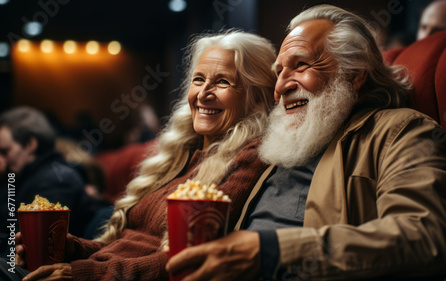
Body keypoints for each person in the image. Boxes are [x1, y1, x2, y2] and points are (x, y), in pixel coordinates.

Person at [166, 4, 446, 280]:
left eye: (301, 65)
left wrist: (273, 251)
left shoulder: (401, 130)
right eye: (279, 72)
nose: (281, 86)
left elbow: (426, 236)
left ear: (354, 74)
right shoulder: (281, 145)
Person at [7, 30, 277, 280]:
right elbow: (126, 245)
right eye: (198, 79)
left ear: (255, 96)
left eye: (222, 82)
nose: (204, 93)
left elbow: (182, 262)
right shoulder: (180, 152)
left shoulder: (250, 156)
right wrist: (70, 249)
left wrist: (82, 274)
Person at [0, 107, 108, 248]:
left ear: (30, 144)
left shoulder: (56, 180)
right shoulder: (23, 178)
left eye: (5, 151)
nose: (1, 160)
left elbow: (32, 248)